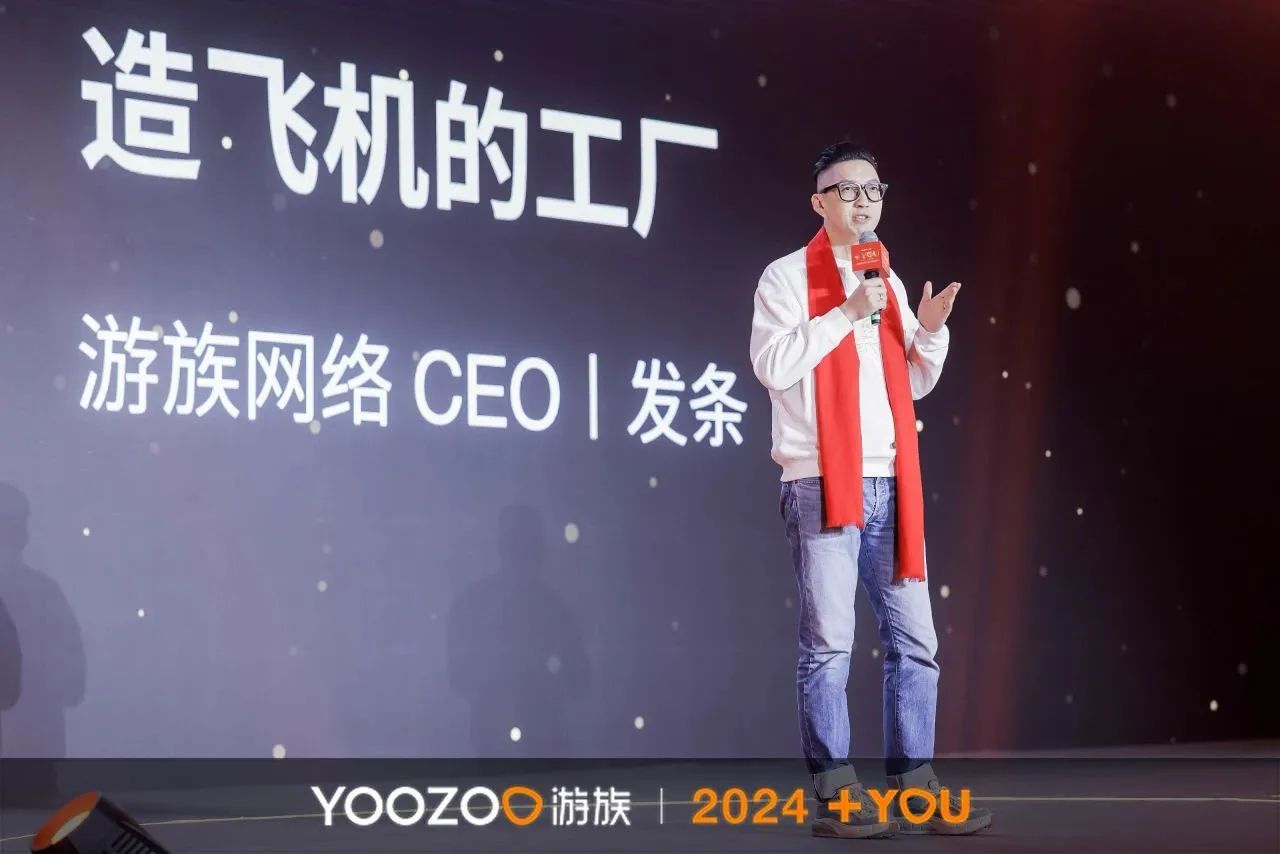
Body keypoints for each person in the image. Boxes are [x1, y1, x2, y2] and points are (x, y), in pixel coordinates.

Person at [749, 141, 990, 838]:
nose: (863, 201)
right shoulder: (786, 277)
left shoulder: (883, 272)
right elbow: (772, 365)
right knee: (829, 645)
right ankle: (834, 793)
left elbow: (909, 383)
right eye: (847, 190)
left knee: (917, 643)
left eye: (873, 190)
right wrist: (847, 312)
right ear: (818, 201)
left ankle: (915, 787)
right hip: (822, 481)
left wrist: (931, 333)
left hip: (890, 481)